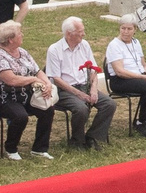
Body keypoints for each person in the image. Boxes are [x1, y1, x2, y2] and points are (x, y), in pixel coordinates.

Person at [0, 20, 57, 159]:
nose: (22, 35)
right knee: (20, 116)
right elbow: (12, 80)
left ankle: (39, 149)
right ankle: (11, 148)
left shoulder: (22, 52)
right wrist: (33, 80)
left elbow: (37, 70)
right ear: (10, 40)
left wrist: (47, 84)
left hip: (25, 95)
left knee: (47, 110)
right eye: (19, 33)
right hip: (2, 98)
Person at [47, 16, 112, 149]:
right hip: (65, 90)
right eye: (80, 31)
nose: (84, 34)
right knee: (81, 108)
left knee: (109, 104)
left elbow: (94, 69)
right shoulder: (54, 50)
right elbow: (56, 79)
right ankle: (77, 140)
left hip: (85, 86)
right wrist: (79, 94)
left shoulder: (85, 45)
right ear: (69, 34)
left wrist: (93, 89)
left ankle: (92, 137)